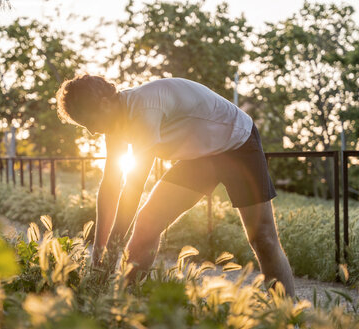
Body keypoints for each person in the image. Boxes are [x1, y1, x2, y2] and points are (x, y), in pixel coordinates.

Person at [56, 75, 295, 296]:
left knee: (262, 238)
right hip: (201, 156)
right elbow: (111, 184)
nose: (92, 131)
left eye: (89, 121)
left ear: (105, 102)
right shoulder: (113, 124)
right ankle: (125, 304)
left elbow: (134, 186)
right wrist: (99, 249)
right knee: (146, 226)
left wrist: (113, 252)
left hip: (237, 142)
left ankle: (288, 318)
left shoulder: (144, 108)